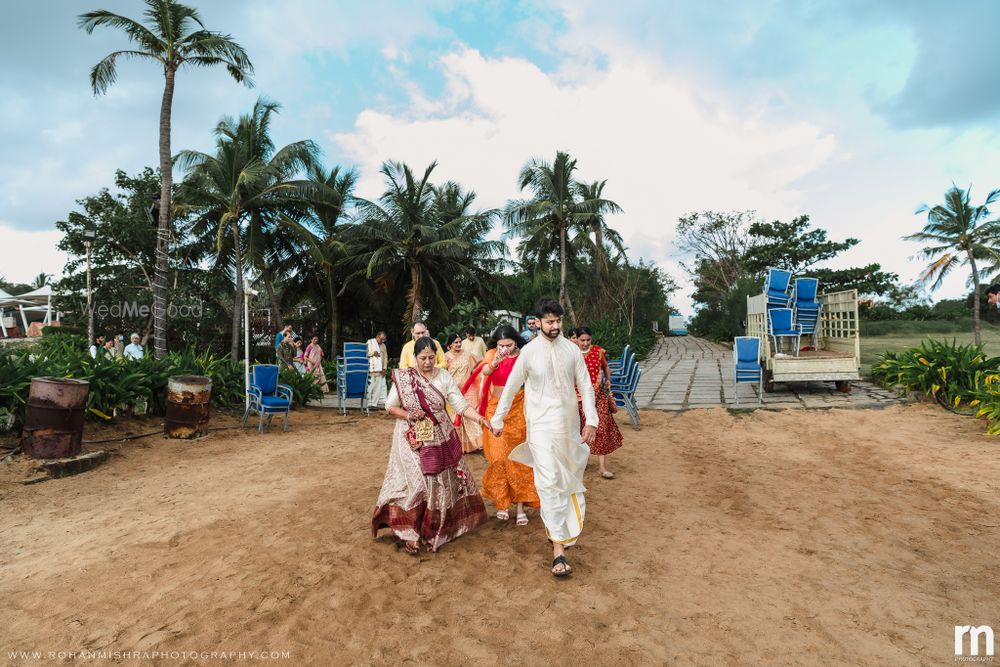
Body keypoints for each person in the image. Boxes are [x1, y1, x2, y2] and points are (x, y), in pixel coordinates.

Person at [491, 299, 598, 577]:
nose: (555, 326)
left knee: (568, 481)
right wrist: (498, 418)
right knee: (549, 482)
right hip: (539, 427)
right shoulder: (528, 353)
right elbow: (512, 386)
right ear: (538, 321)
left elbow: (586, 387)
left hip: (569, 428)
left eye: (558, 321)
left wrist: (593, 421)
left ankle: (561, 532)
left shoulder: (572, 350)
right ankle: (558, 551)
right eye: (549, 321)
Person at [373, 337, 491, 554]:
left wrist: (481, 419)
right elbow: (390, 406)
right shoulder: (405, 377)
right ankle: (411, 534)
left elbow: (460, 405)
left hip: (439, 434)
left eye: (430, 357)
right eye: (422, 358)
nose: (427, 362)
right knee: (417, 481)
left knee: (435, 483)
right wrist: (410, 414)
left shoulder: (443, 376)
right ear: (415, 357)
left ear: (436, 356)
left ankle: (430, 528)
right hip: (410, 435)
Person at [474, 325, 538, 525]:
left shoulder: (525, 355)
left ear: (516, 341)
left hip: (519, 408)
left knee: (518, 459)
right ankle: (502, 503)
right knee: (498, 458)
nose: (505, 349)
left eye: (509, 345)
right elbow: (484, 371)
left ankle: (519, 507)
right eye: (501, 345)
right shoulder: (492, 354)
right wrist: (494, 363)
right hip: (495, 409)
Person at [576, 326, 623, 479]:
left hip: (599, 396)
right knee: (578, 429)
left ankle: (602, 467)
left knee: (601, 427)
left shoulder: (598, 351)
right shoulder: (571, 353)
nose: (585, 343)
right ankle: (579, 464)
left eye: (588, 340)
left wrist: (608, 379)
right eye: (582, 340)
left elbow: (605, 366)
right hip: (578, 398)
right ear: (576, 339)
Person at [444, 332, 483, 453]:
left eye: (460, 342)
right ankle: (458, 446)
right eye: (455, 342)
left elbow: (480, 364)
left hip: (468, 390)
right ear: (449, 345)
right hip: (452, 391)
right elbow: (443, 373)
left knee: (469, 415)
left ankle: (478, 443)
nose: (458, 344)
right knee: (454, 417)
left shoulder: (467, 355)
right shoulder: (445, 357)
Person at [366, 330, 389, 407]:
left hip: (380, 370)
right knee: (370, 387)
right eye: (381, 339)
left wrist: (384, 368)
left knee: (378, 389)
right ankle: (368, 403)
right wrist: (373, 353)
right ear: (377, 337)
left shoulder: (383, 346)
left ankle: (374, 404)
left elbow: (385, 357)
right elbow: (364, 353)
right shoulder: (370, 342)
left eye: (384, 340)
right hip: (371, 370)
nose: (382, 341)